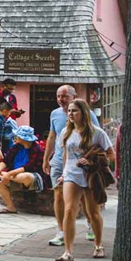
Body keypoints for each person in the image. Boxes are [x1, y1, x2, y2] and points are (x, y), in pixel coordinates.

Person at [55, 99, 114, 261]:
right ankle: (68, 251)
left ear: (83, 113)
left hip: (91, 176)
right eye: (69, 111)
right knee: (69, 211)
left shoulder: (97, 133)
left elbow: (110, 155)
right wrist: (63, 173)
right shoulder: (66, 132)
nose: (71, 114)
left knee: (93, 213)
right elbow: (66, 154)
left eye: (74, 111)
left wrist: (92, 162)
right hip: (71, 175)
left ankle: (98, 245)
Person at [42, 85, 100, 247]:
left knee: (85, 197)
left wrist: (89, 160)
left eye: (65, 96)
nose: (61, 99)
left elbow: (97, 139)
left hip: (80, 164)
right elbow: (52, 136)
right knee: (58, 196)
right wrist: (46, 158)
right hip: (59, 162)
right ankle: (61, 231)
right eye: (59, 96)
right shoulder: (54, 114)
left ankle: (90, 224)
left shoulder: (88, 114)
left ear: (73, 97)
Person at [0, 126, 48, 213]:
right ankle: (10, 207)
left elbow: (29, 167)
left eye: (18, 136)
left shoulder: (37, 150)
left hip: (31, 177)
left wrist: (9, 174)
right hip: (13, 176)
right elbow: (6, 161)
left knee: (25, 176)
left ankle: (6, 176)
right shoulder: (16, 147)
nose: (16, 137)